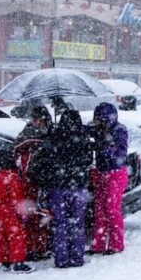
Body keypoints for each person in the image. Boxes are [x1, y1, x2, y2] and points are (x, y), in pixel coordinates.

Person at [30, 110, 93, 268]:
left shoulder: (53, 137)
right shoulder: (83, 137)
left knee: (60, 224)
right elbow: (87, 160)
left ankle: (61, 258)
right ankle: (77, 257)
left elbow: (44, 160)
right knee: (77, 223)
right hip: (78, 186)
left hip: (58, 187)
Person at [14, 105, 53, 261]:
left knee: (39, 215)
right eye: (43, 120)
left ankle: (38, 246)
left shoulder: (32, 135)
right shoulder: (30, 137)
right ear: (37, 120)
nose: (45, 123)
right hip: (32, 182)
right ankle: (33, 248)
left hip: (37, 181)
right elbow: (22, 158)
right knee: (34, 215)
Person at [89, 102, 128, 255]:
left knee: (112, 209)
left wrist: (106, 148)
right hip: (101, 172)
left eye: (98, 119)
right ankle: (98, 244)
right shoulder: (98, 130)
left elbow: (121, 153)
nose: (96, 122)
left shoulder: (119, 130)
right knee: (99, 210)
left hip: (116, 173)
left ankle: (116, 244)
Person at [0, 143, 34, 273]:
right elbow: (17, 198)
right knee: (17, 235)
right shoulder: (12, 177)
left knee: (2, 235)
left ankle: (5, 261)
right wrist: (22, 212)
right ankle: (18, 262)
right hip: (10, 209)